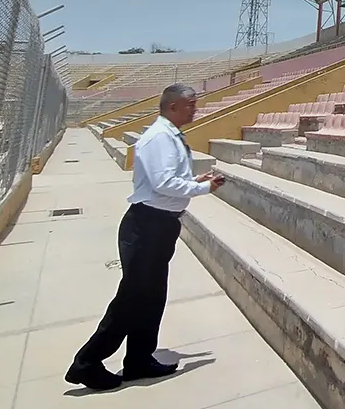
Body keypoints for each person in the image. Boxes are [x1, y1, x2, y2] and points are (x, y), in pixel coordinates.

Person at [65, 83, 225, 391]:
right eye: (191, 104)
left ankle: (139, 359)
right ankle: (86, 363)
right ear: (173, 107)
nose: (196, 108)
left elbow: (167, 181)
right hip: (146, 227)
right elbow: (164, 184)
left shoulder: (170, 136)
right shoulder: (159, 138)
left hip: (160, 226)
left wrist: (194, 180)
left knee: (152, 298)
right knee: (132, 299)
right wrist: (203, 188)